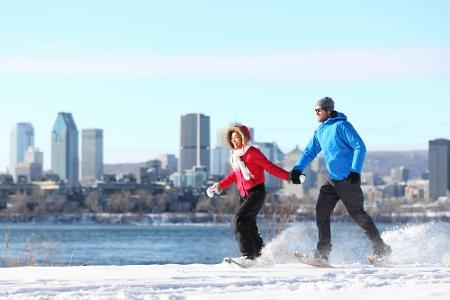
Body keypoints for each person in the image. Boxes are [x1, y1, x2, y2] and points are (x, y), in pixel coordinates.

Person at [290, 97, 391, 262]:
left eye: (319, 110)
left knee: (358, 214)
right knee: (321, 211)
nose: (316, 113)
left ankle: (381, 249)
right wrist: (297, 169)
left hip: (347, 180)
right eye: (315, 110)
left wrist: (355, 171)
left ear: (328, 110)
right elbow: (309, 151)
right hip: (331, 181)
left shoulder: (342, 126)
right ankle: (322, 254)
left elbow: (360, 146)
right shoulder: (321, 130)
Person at [206, 124, 290, 260]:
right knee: (249, 225)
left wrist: (288, 176)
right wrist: (219, 186)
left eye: (237, 137)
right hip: (243, 195)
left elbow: (270, 167)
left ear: (244, 138)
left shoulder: (252, 152)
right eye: (232, 138)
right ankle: (260, 255)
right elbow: (234, 175)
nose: (234, 141)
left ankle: (247, 255)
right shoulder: (236, 157)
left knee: (239, 220)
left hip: (256, 192)